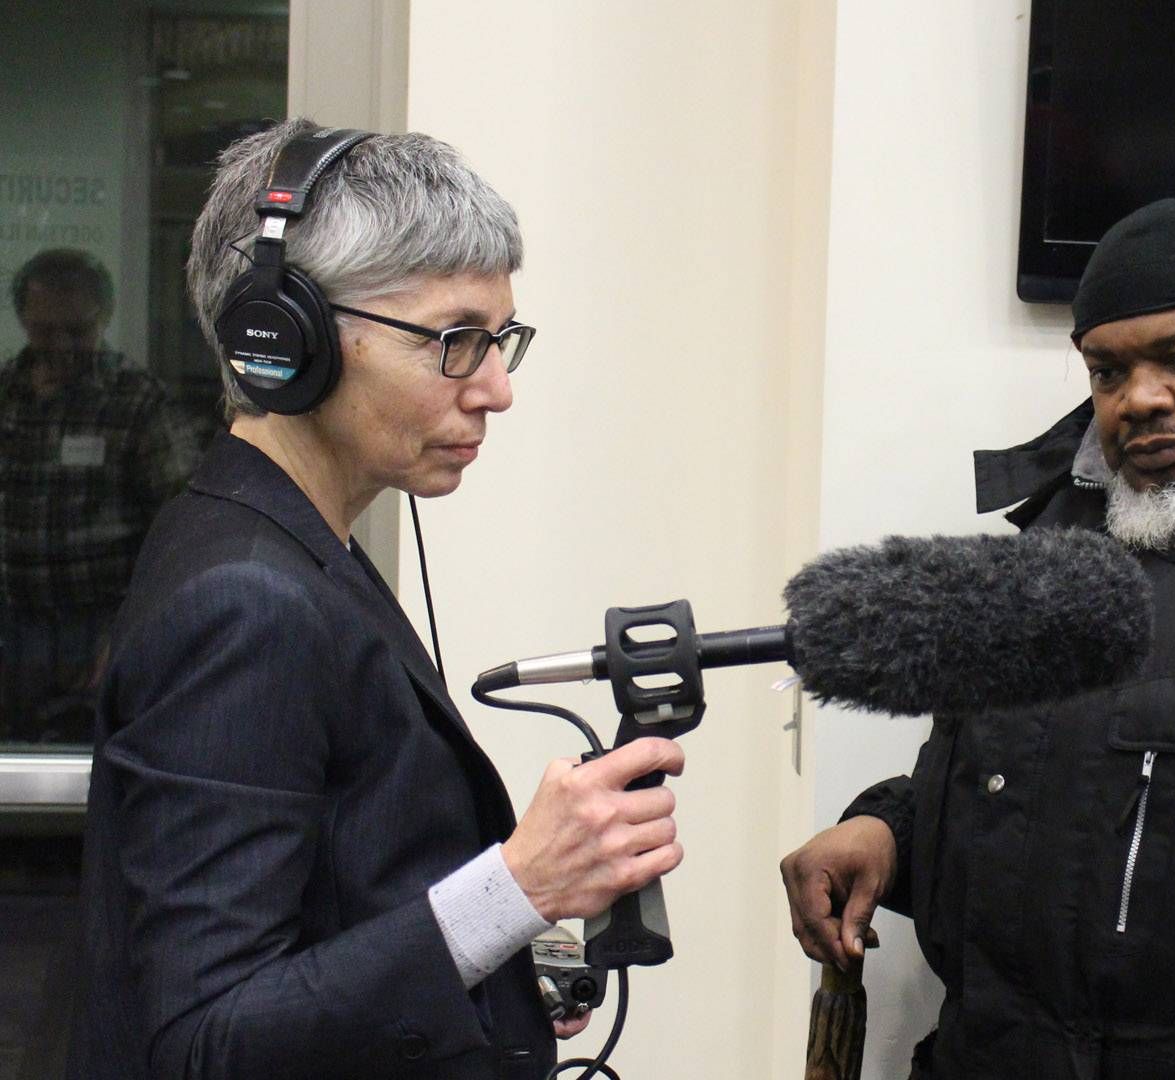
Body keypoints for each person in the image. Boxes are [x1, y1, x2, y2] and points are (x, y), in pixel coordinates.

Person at [73, 121, 685, 1079]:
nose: (494, 389)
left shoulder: (290, 542)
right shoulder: (245, 605)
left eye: (500, 341)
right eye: (455, 341)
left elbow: (338, 898)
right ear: (287, 338)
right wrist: (518, 888)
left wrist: (498, 961)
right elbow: (207, 1041)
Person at [781, 199, 1175, 1079]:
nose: (1142, 400)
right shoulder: (1047, 538)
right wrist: (890, 832)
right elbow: (1001, 781)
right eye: (1108, 372)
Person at [0, 248, 193, 742]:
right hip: (11, 623)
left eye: (77, 331)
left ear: (104, 319)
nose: (62, 346)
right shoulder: (5, 394)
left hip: (101, 627)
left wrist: (132, 628)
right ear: (23, 319)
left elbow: (183, 527)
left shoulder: (137, 401)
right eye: (45, 332)